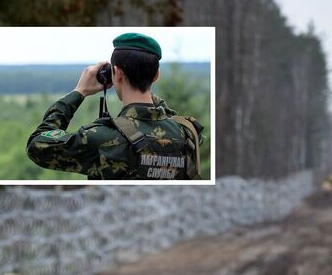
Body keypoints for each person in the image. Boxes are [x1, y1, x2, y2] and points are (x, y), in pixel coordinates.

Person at [26, 33, 204, 180]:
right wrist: (144, 81)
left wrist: (79, 92)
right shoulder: (186, 132)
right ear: (156, 75)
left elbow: (37, 145)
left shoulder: (101, 137)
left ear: (117, 73)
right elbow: (166, 115)